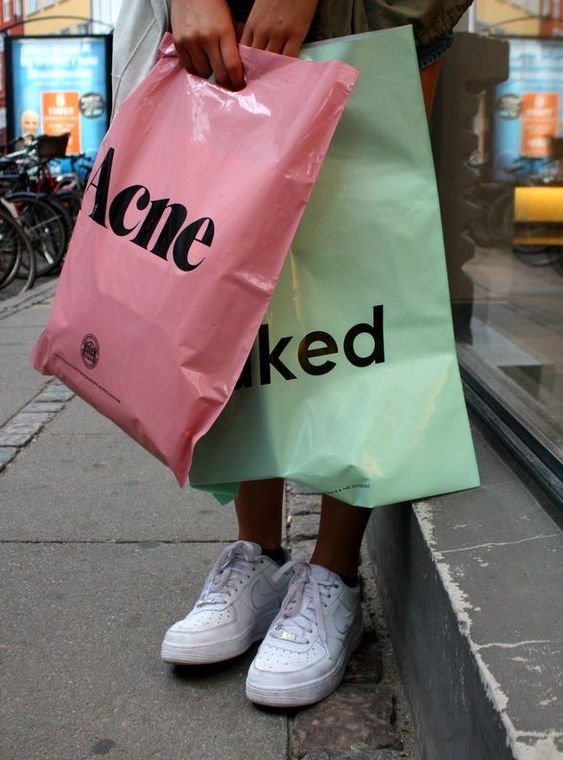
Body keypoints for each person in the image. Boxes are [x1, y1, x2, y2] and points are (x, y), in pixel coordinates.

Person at [113, 0, 474, 709]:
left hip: (368, 10)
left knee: (361, 275)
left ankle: (333, 573)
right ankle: (259, 555)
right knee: (231, 277)